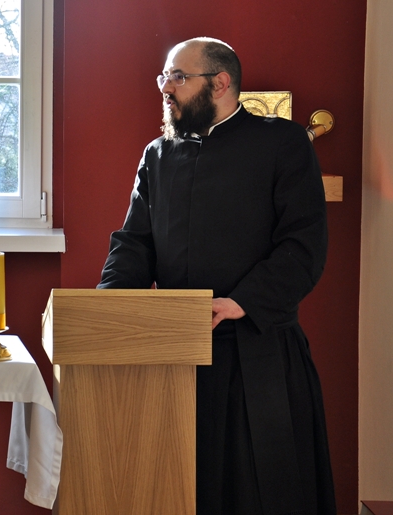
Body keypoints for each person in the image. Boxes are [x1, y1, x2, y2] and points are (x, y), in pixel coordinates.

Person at [98, 37, 335, 514]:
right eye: (164, 77)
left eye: (178, 78)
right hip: (177, 353)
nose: (165, 88)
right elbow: (136, 242)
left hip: (257, 347)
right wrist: (107, 307)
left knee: (259, 493)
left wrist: (240, 302)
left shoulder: (282, 143)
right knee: (183, 490)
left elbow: (303, 244)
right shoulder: (158, 155)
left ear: (221, 82)